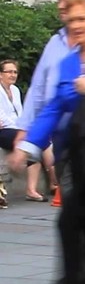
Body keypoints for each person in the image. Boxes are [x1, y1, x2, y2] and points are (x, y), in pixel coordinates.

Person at [8, 0, 85, 284]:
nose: (75, 25)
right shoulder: (67, 63)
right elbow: (53, 107)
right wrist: (27, 145)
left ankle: (72, 279)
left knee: (72, 221)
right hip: (77, 153)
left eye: (82, 18)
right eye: (72, 19)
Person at [0, 59, 23, 207]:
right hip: (5, 129)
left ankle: (32, 189)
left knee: (42, 140)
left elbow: (21, 113)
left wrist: (23, 128)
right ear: (0, 74)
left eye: (15, 72)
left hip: (15, 128)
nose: (12, 74)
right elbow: (2, 118)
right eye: (9, 71)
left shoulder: (15, 90)